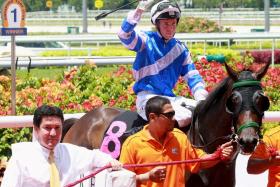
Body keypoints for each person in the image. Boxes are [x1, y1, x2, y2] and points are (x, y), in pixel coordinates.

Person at [117, 0, 208, 127]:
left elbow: (193, 77)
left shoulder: (181, 50)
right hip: (147, 100)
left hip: (169, 99)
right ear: (157, 24)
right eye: (166, 24)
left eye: (173, 23)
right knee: (181, 115)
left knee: (203, 111)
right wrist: (138, 12)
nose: (170, 28)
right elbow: (124, 35)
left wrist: (202, 99)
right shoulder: (145, 41)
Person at [119, 96, 234, 187]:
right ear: (153, 117)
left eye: (173, 113)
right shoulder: (132, 144)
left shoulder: (179, 137)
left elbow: (198, 161)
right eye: (169, 115)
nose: (174, 118)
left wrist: (218, 155)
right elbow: (123, 180)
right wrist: (147, 176)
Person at [1, 105, 122, 187]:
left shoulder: (70, 152)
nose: (53, 133)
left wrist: (110, 161)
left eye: (57, 128)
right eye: (47, 128)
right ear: (36, 129)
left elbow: (95, 157)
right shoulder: (21, 159)